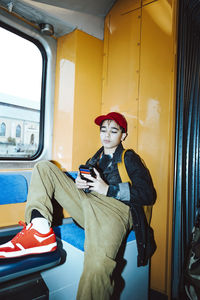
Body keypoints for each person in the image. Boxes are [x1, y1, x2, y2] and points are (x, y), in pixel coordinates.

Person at [0, 112, 156, 300]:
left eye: (113, 131)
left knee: (97, 267)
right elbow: (88, 190)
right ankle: (40, 230)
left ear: (123, 136)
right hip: (88, 204)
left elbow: (148, 194)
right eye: (103, 130)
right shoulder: (94, 159)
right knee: (44, 168)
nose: (106, 135)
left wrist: (108, 189)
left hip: (114, 210)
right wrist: (81, 186)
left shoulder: (129, 158)